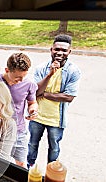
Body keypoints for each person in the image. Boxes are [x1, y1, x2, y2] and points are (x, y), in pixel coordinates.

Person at [27, 34, 81, 168]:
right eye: (57, 49)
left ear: (69, 52)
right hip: (37, 117)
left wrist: (44, 94)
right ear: (51, 50)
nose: (59, 53)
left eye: (64, 50)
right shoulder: (41, 68)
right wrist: (50, 74)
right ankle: (29, 168)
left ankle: (51, 172)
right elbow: (34, 92)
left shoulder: (73, 71)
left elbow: (69, 97)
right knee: (32, 144)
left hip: (56, 120)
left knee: (54, 148)